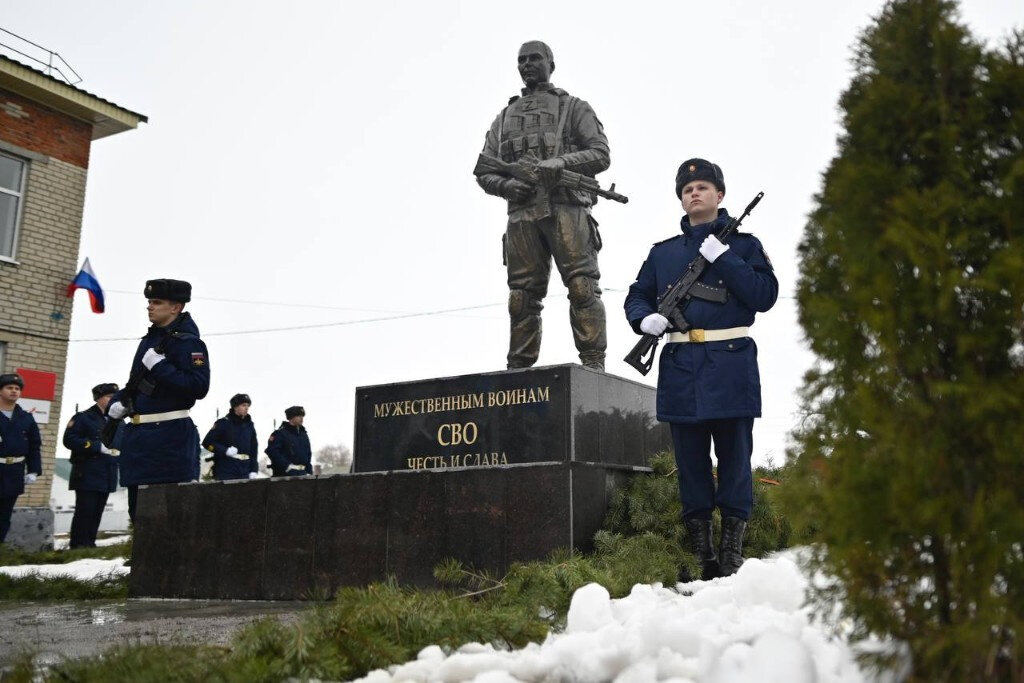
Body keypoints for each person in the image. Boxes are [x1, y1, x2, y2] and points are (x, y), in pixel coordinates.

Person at [624, 159, 778, 580]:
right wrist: (644, 320)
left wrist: (725, 259)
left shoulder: (744, 246)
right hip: (681, 369)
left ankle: (731, 554)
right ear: (681, 197)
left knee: (734, 461)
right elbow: (637, 296)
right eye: (688, 188)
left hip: (730, 365)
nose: (695, 193)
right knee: (690, 465)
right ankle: (701, 554)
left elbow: (764, 296)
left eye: (704, 187)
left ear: (720, 195)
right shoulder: (664, 253)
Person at [475, 40, 611, 370]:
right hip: (522, 215)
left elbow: (600, 154)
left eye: (534, 58)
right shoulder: (505, 116)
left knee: (582, 288)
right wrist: (509, 186)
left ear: (551, 63)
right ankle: (518, 371)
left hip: (567, 209)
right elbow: (484, 170)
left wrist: (561, 163)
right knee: (521, 298)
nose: (527, 65)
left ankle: (593, 368)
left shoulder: (574, 108)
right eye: (521, 60)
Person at [107, 279, 210, 521]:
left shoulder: (189, 343)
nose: (150, 307)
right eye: (149, 302)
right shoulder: (149, 341)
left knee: (169, 517)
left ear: (176, 307)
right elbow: (136, 382)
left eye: (157, 302)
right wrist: (119, 401)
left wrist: (161, 366)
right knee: (139, 514)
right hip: (140, 438)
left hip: (169, 438)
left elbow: (198, 386)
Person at [63, 382, 120, 548]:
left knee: (97, 512)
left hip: (108, 471)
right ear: (98, 399)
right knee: (85, 511)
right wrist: (95, 446)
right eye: (109, 396)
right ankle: (78, 545)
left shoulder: (117, 420)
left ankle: (90, 544)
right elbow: (69, 440)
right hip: (87, 471)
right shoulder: (83, 417)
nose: (112, 400)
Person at [0, 373, 42, 543]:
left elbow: (34, 446)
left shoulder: (26, 418)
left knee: (4, 515)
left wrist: (33, 470)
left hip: (14, 472)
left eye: (17, 389)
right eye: (9, 388)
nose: (14, 391)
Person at [202, 393, 259, 481]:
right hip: (226, 469)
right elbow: (207, 442)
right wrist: (225, 451)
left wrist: (254, 469)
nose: (247, 408)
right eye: (243, 405)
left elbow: (254, 450)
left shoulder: (250, 426)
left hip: (245, 469)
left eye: (248, 405)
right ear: (235, 407)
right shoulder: (223, 423)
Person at [266, 406, 312, 477]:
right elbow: (273, 452)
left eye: (302, 416)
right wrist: (287, 466)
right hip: (285, 476)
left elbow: (308, 454)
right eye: (299, 416)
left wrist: (309, 471)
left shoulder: (303, 435)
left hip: (303, 474)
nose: (302, 418)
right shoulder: (279, 434)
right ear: (291, 417)